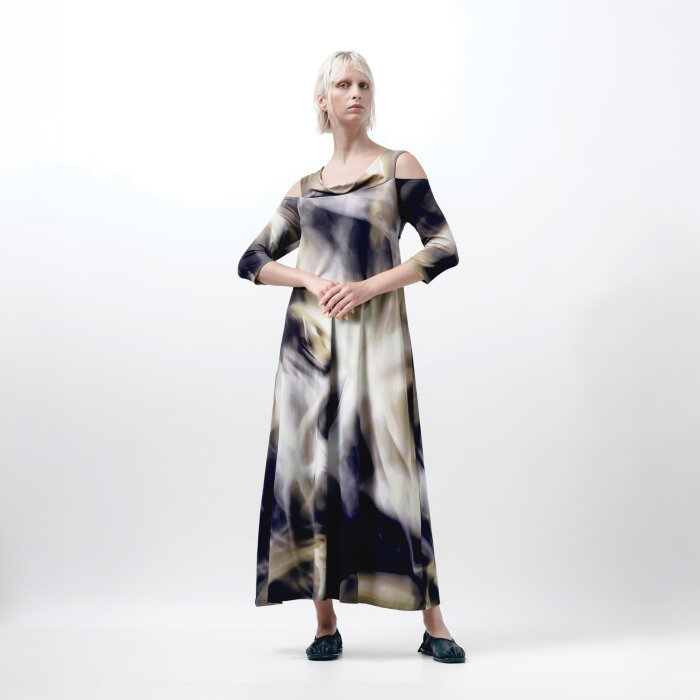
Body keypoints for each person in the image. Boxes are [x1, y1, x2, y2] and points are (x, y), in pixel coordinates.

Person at [237, 50, 466, 664]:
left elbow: (443, 246)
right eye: (343, 83)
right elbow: (252, 261)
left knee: (395, 471)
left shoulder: (397, 168)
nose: (356, 91)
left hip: (378, 344)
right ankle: (324, 622)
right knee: (315, 473)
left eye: (364, 83)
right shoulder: (306, 189)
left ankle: (434, 623)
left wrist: (366, 287)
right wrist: (310, 279)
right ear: (324, 100)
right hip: (310, 350)